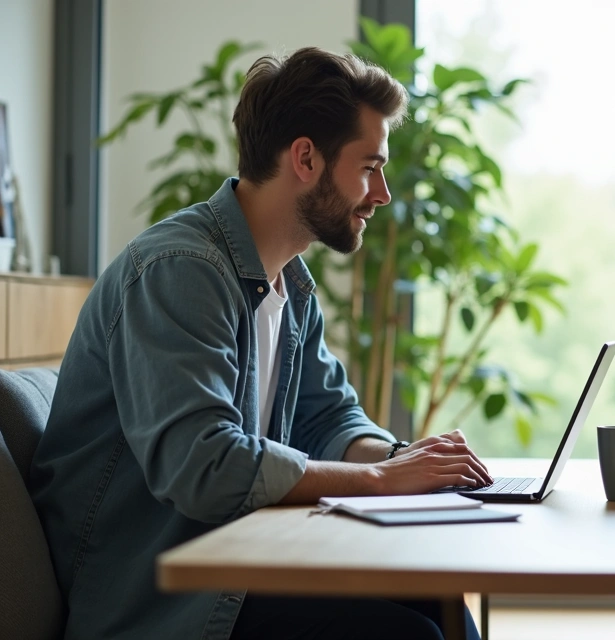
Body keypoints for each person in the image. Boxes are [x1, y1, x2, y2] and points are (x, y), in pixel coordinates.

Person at [29, 47, 492, 640]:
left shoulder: (290, 285)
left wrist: (400, 459)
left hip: (238, 565)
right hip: (154, 599)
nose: (381, 194)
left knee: (438, 602)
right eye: (369, 167)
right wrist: (379, 483)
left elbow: (329, 416)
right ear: (305, 157)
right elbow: (204, 466)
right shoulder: (179, 270)